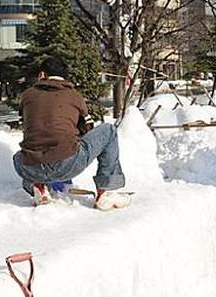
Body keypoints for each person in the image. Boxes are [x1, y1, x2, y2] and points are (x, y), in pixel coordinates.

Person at [12, 56, 129, 210]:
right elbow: (87, 128)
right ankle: (105, 193)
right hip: (66, 163)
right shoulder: (74, 96)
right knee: (109, 131)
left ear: (42, 75)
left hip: (29, 166)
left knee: (21, 156)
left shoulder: (27, 95)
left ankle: (39, 187)